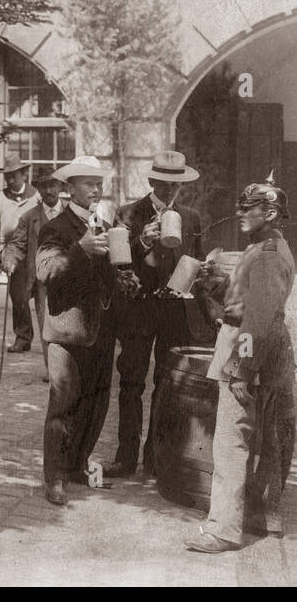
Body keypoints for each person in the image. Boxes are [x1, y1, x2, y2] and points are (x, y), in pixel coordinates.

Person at [186, 176, 296, 553]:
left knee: (231, 442)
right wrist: (217, 285)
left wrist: (242, 369)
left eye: (247, 208)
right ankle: (259, 516)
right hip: (265, 350)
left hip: (248, 348)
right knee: (265, 438)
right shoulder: (264, 247)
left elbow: (258, 319)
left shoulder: (266, 254)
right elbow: (248, 301)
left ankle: (224, 529)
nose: (239, 214)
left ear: (270, 213)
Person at [36, 155, 138, 507]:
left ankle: (78, 465)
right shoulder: (56, 228)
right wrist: (80, 250)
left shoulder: (104, 223)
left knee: (96, 403)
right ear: (70, 188)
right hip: (68, 331)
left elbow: (106, 273)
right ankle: (55, 478)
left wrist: (124, 279)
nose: (97, 189)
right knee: (63, 404)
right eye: (89, 183)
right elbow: (47, 272)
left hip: (101, 330)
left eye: (99, 183)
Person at [109, 150, 204, 480]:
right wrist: (141, 243)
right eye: (164, 183)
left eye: (176, 184)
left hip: (173, 312)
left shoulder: (190, 217)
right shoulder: (129, 213)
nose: (170, 190)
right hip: (138, 310)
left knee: (168, 385)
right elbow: (117, 265)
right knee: (132, 383)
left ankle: (155, 457)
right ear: (151, 181)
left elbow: (197, 262)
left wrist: (191, 281)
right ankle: (125, 457)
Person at [2, 169, 66, 381]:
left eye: (53, 185)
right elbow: (17, 245)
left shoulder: (72, 212)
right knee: (47, 327)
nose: (49, 190)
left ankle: (71, 368)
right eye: (44, 186)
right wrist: (9, 260)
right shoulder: (29, 218)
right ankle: (53, 370)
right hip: (42, 282)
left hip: (70, 279)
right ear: (38, 190)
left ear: (61, 187)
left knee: (69, 326)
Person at [0, 153, 38, 352]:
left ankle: (51, 340)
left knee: (43, 298)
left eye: (14, 175)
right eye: (7, 176)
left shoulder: (37, 195)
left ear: (24, 175)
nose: (10, 180)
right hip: (12, 253)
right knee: (18, 297)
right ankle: (23, 336)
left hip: (35, 251)